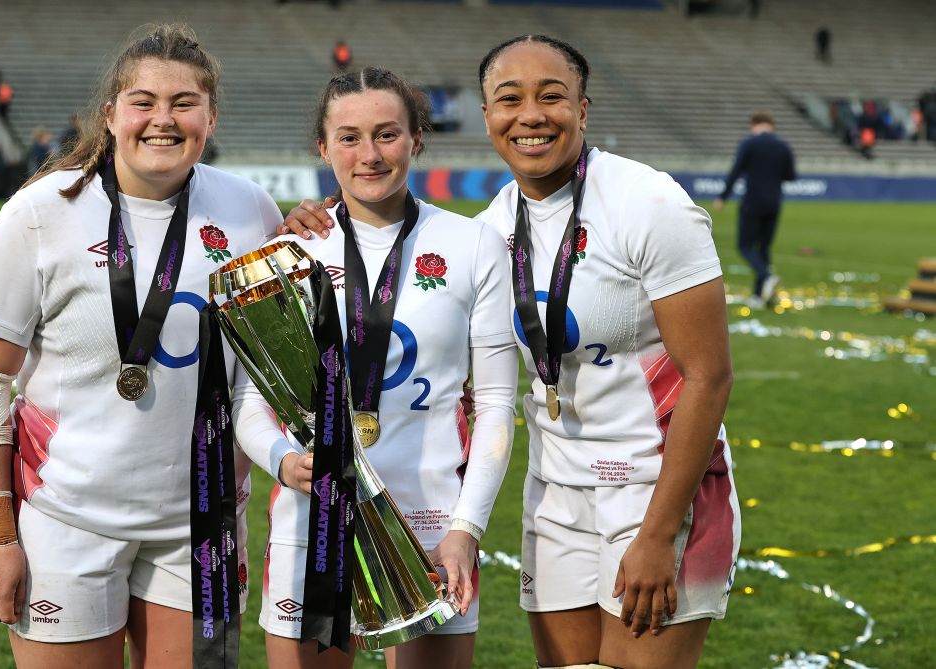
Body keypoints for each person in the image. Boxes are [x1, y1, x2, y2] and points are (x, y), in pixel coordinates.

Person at [285, 34, 739, 669]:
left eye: (552, 96)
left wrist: (660, 533)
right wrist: (317, 222)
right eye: (509, 99)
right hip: (555, 494)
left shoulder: (650, 204)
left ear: (583, 109)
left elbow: (709, 378)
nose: (530, 115)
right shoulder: (496, 225)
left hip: (655, 491)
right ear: (488, 114)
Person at [0, 24, 282, 668]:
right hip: (66, 520)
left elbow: (268, 367)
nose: (163, 119)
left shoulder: (250, 212)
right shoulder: (40, 213)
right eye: (143, 101)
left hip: (200, 526)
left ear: (210, 117)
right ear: (111, 115)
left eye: (184, 103)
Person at [241, 67, 518, 669]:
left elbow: (496, 404)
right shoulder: (284, 251)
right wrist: (282, 463)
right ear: (322, 147)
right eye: (348, 137)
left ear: (418, 138)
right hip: (314, 521)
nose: (369, 154)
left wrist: (466, 529)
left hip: (433, 525)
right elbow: (248, 402)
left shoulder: (474, 245)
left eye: (387, 134)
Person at [713, 110, 796, 307]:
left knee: (745, 246)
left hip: (752, 201)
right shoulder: (783, 146)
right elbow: (791, 175)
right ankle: (759, 296)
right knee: (764, 247)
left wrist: (723, 196)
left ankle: (766, 276)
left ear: (754, 124)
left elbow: (736, 171)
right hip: (774, 202)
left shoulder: (749, 143)